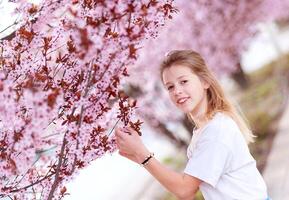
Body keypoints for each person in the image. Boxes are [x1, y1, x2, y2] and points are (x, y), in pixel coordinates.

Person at [115, 50, 269, 200]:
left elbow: (185, 191)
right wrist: (139, 156)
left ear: (205, 81)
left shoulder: (216, 132)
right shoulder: (204, 129)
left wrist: (142, 154)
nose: (177, 91)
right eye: (170, 87)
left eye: (184, 81)